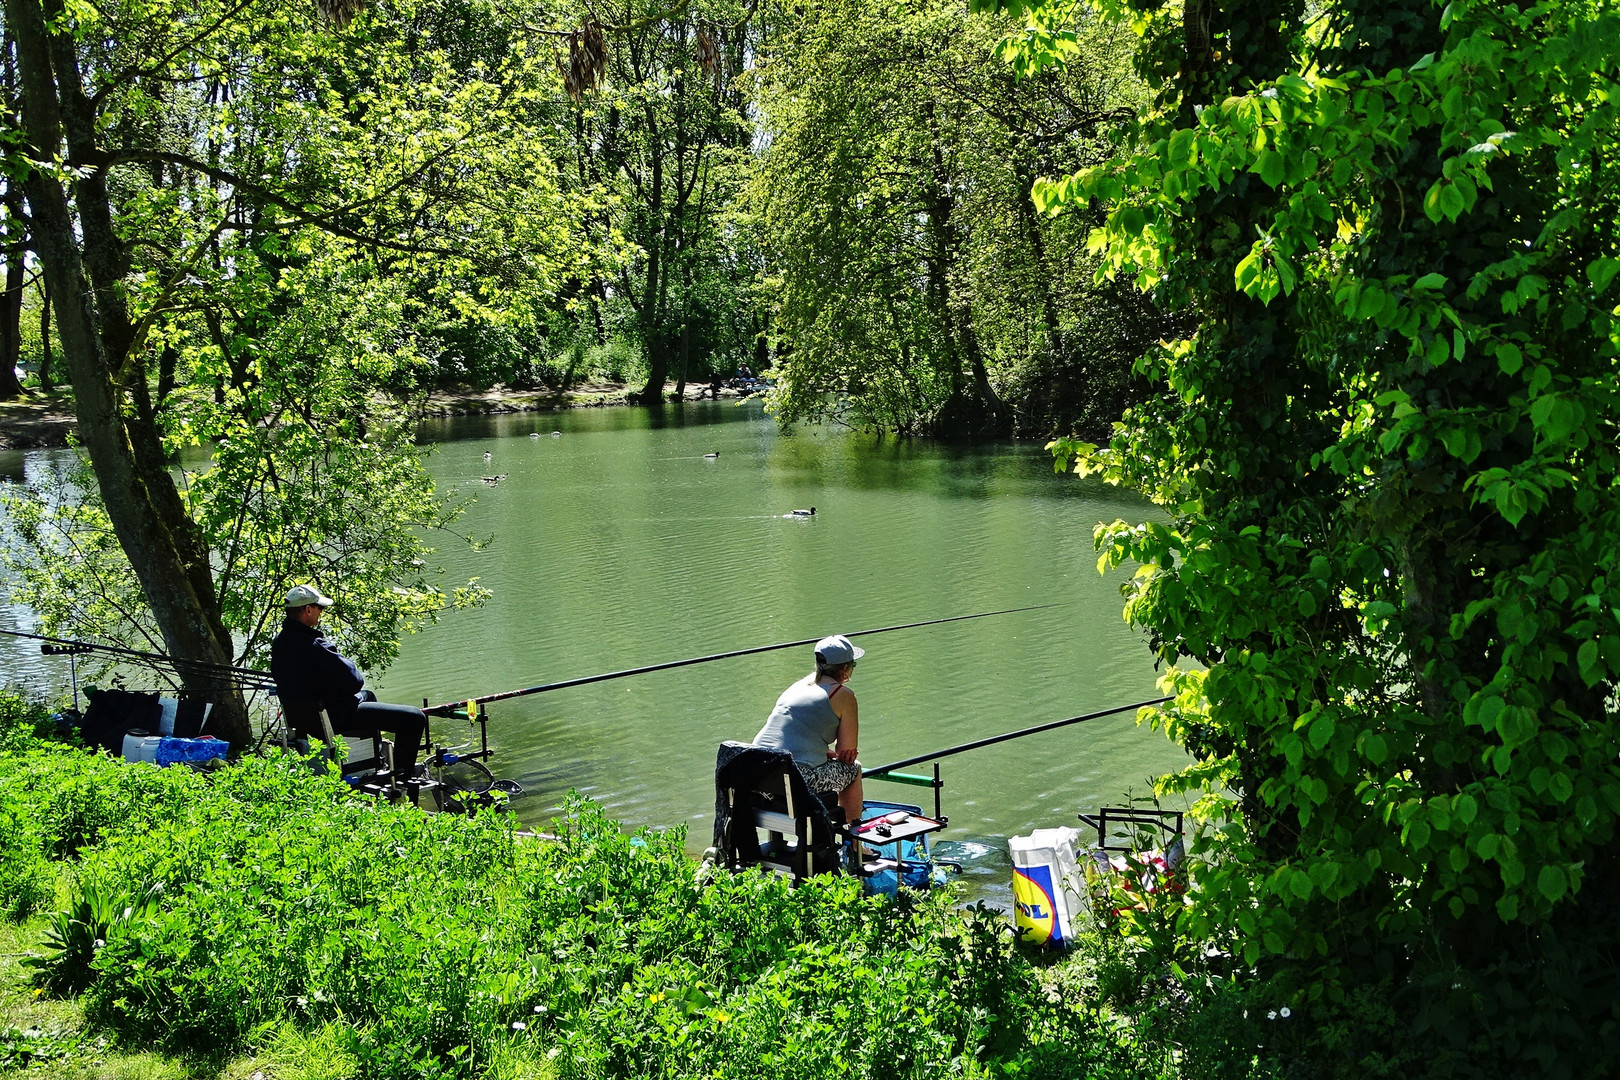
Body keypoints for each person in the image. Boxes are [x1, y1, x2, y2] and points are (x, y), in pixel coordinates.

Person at [270, 584, 427, 784]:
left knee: (368, 696)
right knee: (414, 718)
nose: (321, 612)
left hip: (306, 721)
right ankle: (403, 776)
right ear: (307, 610)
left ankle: (375, 760)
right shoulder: (316, 646)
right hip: (335, 717)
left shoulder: (281, 643)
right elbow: (354, 682)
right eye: (320, 608)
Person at [753, 634, 865, 823]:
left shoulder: (797, 686)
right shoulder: (843, 695)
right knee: (854, 770)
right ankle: (854, 842)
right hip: (795, 779)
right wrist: (837, 754)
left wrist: (823, 752)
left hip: (758, 772)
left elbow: (796, 735)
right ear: (845, 668)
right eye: (853, 666)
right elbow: (846, 752)